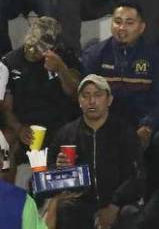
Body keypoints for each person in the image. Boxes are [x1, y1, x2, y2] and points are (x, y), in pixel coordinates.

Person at [49, 74, 144, 229]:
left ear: (109, 100)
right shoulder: (66, 134)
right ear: (79, 101)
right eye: (85, 96)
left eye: (97, 95)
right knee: (65, 209)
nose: (91, 101)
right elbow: (48, 180)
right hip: (81, 205)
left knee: (131, 213)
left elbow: (137, 176)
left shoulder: (124, 132)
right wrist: (60, 172)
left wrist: (114, 204)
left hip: (117, 204)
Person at [79, 2, 159, 146]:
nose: (121, 28)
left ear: (141, 28)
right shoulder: (95, 54)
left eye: (129, 23)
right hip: (105, 124)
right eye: (117, 22)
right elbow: (86, 97)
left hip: (142, 124)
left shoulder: (157, 57)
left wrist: (148, 126)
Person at [0, 16, 81, 157]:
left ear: (53, 47)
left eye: (39, 49)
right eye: (31, 45)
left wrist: (61, 69)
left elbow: (76, 95)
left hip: (61, 124)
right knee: (6, 140)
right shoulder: (9, 62)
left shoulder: (65, 58)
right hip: (26, 125)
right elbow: (6, 107)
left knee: (74, 136)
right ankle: (3, 178)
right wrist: (19, 128)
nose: (32, 51)